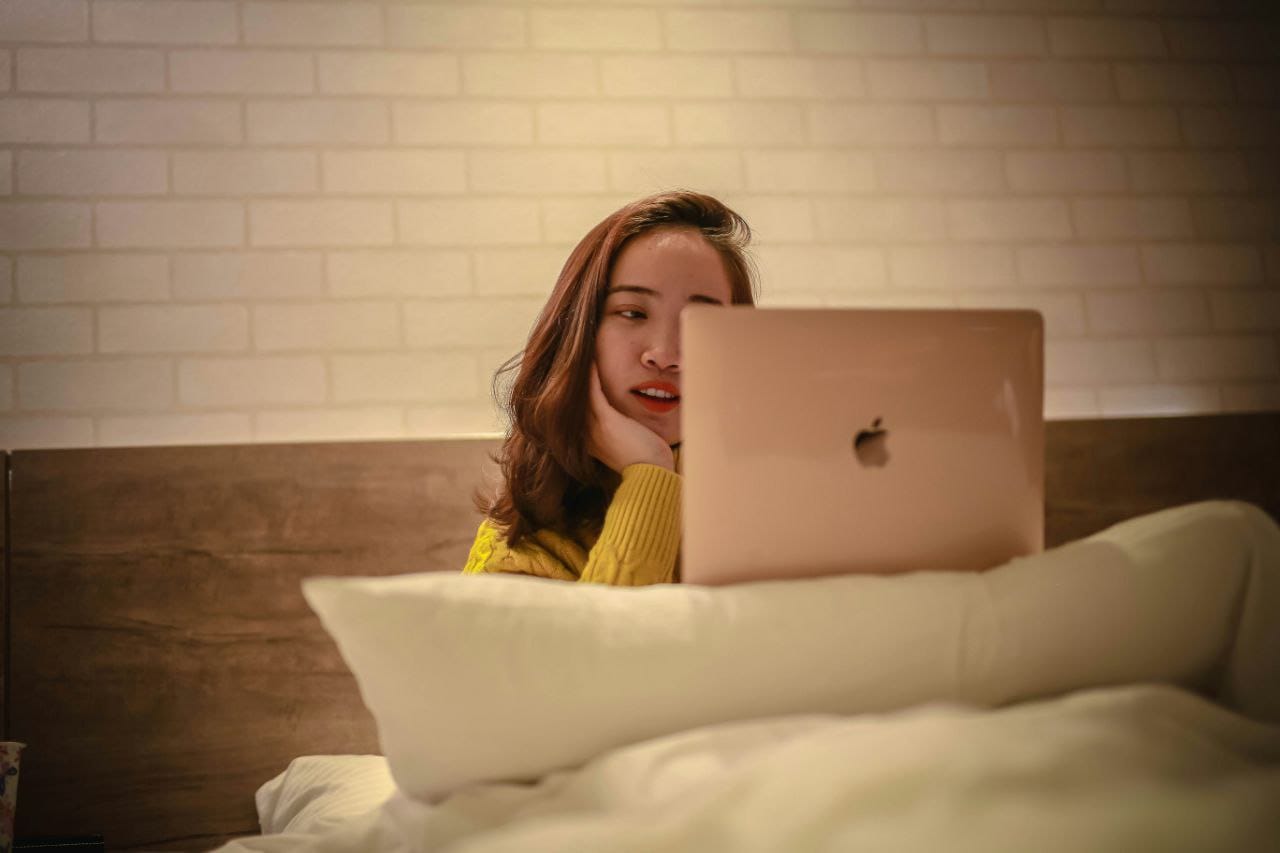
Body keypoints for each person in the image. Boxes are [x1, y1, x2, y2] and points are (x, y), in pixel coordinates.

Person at [462, 190, 757, 585]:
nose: (666, 354)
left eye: (700, 319)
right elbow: (613, 646)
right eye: (633, 313)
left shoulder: (761, 497)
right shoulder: (521, 550)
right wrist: (650, 475)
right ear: (580, 336)